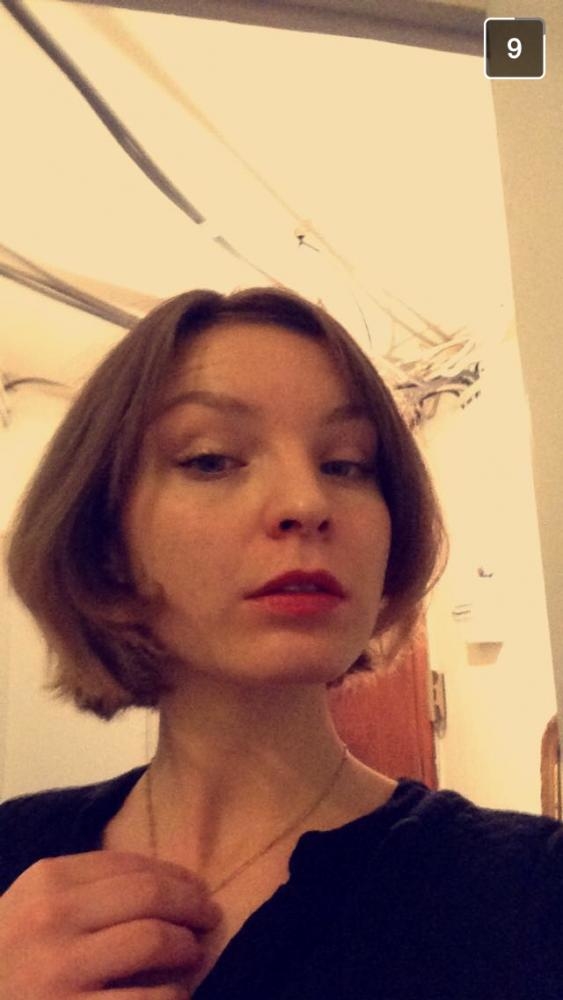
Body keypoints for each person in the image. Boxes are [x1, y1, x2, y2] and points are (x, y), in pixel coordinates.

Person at [0, 286, 561, 1000]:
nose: (306, 502)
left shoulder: (529, 897)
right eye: (210, 459)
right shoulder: (15, 858)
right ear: (107, 549)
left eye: (346, 464)